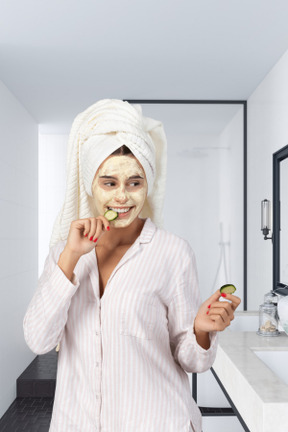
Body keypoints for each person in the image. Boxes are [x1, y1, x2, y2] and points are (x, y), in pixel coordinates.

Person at [23, 99, 241, 432]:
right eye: (109, 183)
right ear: (91, 185)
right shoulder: (62, 256)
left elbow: (192, 361)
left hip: (159, 422)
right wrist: (70, 256)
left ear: (147, 185)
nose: (122, 196)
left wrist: (200, 330)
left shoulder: (173, 253)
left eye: (134, 183)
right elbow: (38, 341)